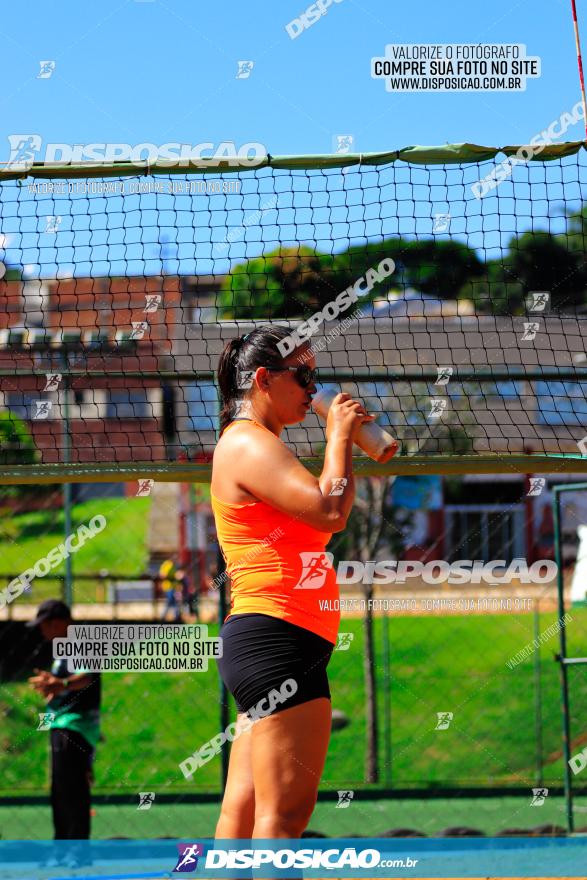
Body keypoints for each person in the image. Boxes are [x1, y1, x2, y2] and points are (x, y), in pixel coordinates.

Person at [211, 325, 377, 840]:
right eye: (302, 374)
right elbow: (330, 509)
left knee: (243, 815)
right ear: (262, 379)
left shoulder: (253, 445)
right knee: (283, 821)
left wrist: (341, 442)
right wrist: (339, 434)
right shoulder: (247, 443)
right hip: (278, 641)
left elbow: (328, 509)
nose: (313, 387)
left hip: (272, 639)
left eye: (315, 374)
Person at [27, 599, 101, 849]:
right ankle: (62, 849)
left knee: (72, 791)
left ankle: (76, 852)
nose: (41, 631)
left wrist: (62, 684)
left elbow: (87, 675)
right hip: (65, 725)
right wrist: (54, 684)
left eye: (44, 625)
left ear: (58, 623)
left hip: (74, 728)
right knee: (60, 791)